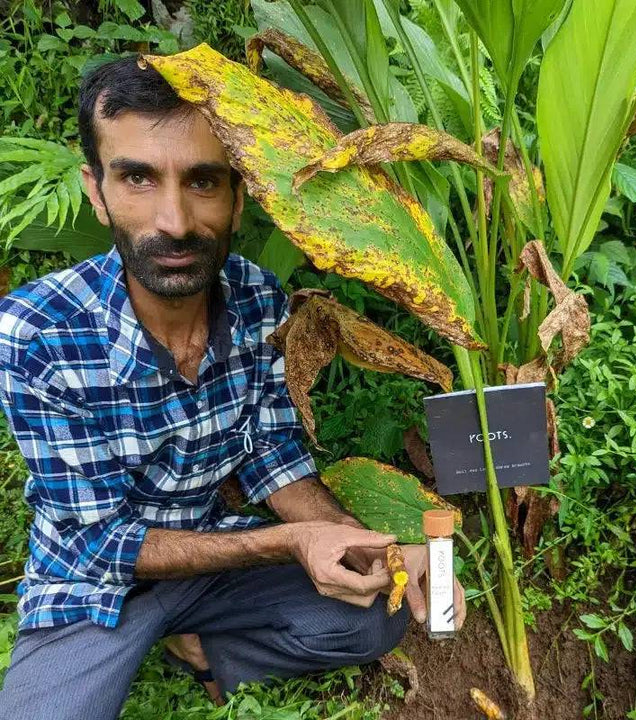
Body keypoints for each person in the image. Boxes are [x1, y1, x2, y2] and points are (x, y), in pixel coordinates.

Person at [0, 55, 466, 720]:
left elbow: (273, 458)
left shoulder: (255, 296)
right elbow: (102, 542)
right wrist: (286, 543)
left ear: (238, 194)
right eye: (137, 178)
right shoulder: (35, 333)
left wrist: (372, 547)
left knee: (373, 618)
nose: (176, 221)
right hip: (95, 585)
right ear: (96, 191)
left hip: (214, 556)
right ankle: (167, 640)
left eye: (203, 181)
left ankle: (199, 646)